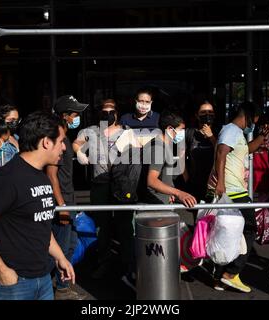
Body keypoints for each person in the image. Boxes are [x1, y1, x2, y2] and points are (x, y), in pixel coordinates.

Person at [0, 111, 75, 300]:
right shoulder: (7, 178)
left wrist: (60, 257)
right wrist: (3, 271)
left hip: (43, 281)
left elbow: (40, 225)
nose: (64, 148)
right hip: (12, 286)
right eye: (61, 141)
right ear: (46, 142)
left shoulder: (42, 177)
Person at [207, 101, 269, 293]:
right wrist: (220, 182)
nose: (255, 122)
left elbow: (247, 150)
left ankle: (219, 278)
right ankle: (231, 273)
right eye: (255, 118)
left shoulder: (237, 133)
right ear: (247, 114)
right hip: (232, 189)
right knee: (250, 228)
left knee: (227, 232)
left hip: (233, 188)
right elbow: (221, 152)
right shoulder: (231, 130)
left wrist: (263, 135)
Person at [73, 99, 137, 288]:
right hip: (99, 183)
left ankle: (129, 266)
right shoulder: (91, 131)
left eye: (111, 111)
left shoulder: (127, 132)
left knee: (126, 225)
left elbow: (137, 154)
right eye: (104, 112)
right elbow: (76, 142)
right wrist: (79, 152)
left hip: (121, 185)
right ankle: (104, 262)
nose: (108, 115)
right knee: (102, 226)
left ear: (117, 113)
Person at [46, 95, 88, 300]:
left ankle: (61, 286)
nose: (77, 116)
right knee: (62, 246)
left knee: (70, 243)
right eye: (74, 113)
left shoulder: (65, 136)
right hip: (61, 200)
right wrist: (61, 205)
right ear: (65, 116)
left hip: (68, 198)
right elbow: (51, 175)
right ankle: (57, 288)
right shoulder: (56, 137)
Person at [146, 110, 197, 208]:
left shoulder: (162, 145)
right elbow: (151, 180)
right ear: (170, 128)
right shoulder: (158, 148)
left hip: (162, 200)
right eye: (181, 129)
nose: (183, 133)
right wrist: (179, 193)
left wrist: (169, 193)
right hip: (156, 204)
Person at [184, 101, 217, 203]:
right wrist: (187, 179)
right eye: (203, 112)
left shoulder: (220, 131)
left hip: (214, 182)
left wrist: (211, 137)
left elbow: (224, 153)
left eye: (210, 112)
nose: (207, 115)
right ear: (197, 115)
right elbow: (181, 157)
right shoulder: (189, 133)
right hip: (195, 183)